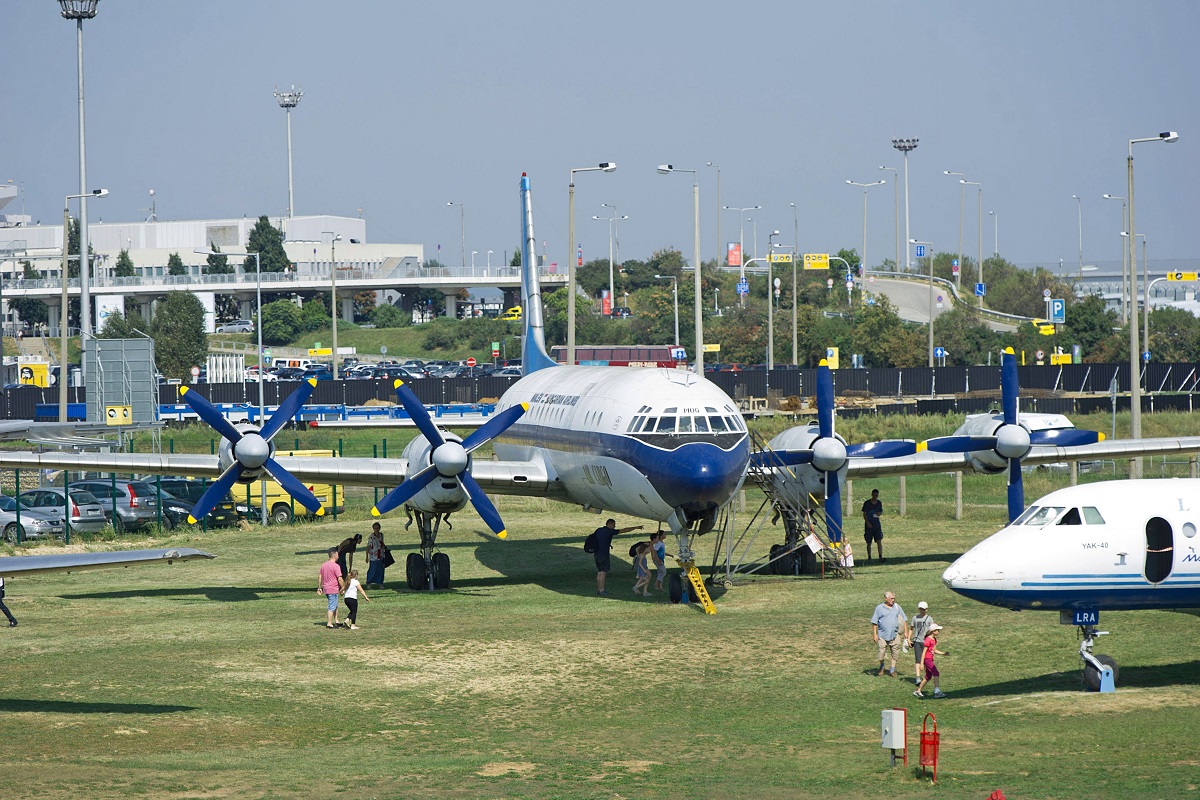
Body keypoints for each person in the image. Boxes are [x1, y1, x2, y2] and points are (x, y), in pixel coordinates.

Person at [592, 518, 644, 595]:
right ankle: (602, 590)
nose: (614, 526)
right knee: (603, 572)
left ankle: (599, 589)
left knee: (600, 571)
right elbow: (623, 530)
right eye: (614, 525)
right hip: (604, 554)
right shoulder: (609, 531)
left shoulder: (598, 530)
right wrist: (635, 527)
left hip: (597, 553)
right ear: (610, 524)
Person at [870, 590, 909, 677]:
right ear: (886, 598)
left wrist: (906, 631)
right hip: (883, 635)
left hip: (895, 635)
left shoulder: (897, 607)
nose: (893, 600)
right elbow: (874, 622)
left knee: (895, 653)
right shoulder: (879, 608)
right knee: (881, 652)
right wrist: (875, 634)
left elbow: (904, 619)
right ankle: (882, 667)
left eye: (894, 598)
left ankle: (892, 670)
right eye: (891, 598)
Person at [915, 624, 947, 699]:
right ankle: (937, 692)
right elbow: (924, 652)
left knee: (928, 676)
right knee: (936, 673)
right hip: (927, 659)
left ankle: (918, 691)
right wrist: (922, 663)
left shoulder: (934, 639)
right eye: (937, 630)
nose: (939, 631)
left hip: (930, 659)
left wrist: (943, 653)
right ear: (933, 631)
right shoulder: (928, 640)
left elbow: (934, 650)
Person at [317, 547, 345, 629]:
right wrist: (343, 587)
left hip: (326, 588)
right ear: (335, 555)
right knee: (332, 606)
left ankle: (336, 620)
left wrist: (319, 587)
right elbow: (339, 578)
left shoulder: (324, 565)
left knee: (335, 605)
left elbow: (320, 577)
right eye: (338, 555)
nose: (338, 557)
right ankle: (329, 623)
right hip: (332, 588)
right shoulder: (336, 566)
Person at [909, 601, 935, 685]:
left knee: (925, 660)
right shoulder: (915, 618)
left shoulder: (929, 619)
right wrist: (909, 639)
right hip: (917, 641)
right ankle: (918, 678)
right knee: (918, 659)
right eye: (920, 609)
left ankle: (925, 677)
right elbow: (911, 628)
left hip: (926, 641)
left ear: (927, 609)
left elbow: (932, 630)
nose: (922, 610)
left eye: (923, 609)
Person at [862, 488, 884, 561]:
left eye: (876, 495)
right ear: (872, 495)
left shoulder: (879, 503)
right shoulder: (867, 503)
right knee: (869, 542)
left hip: (877, 525)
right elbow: (864, 514)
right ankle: (869, 557)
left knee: (879, 541)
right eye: (874, 495)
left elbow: (881, 512)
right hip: (869, 525)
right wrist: (867, 523)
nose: (875, 496)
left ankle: (880, 556)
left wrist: (879, 513)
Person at [366, 522, 386, 588]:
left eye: (377, 528)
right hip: (373, 556)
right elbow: (368, 547)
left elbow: (382, 544)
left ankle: (380, 583)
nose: (376, 529)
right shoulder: (371, 537)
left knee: (381, 570)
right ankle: (369, 583)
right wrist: (367, 556)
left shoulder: (381, 535)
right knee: (372, 570)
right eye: (375, 528)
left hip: (381, 555)